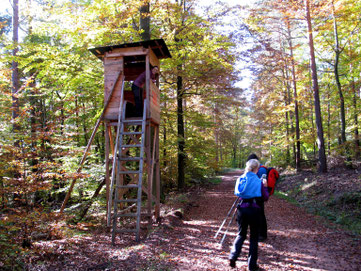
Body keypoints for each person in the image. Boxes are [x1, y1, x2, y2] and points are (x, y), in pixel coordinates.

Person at [229, 159, 269, 270]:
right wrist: (265, 186)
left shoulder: (240, 179)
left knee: (241, 234)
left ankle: (233, 255)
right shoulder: (258, 181)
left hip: (242, 209)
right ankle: (251, 265)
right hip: (254, 209)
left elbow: (237, 192)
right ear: (257, 168)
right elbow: (265, 197)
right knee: (254, 237)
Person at [246, 153, 268, 241]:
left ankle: (262, 234)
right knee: (258, 214)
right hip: (257, 194)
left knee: (260, 214)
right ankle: (259, 233)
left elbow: (261, 182)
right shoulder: (260, 168)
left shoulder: (261, 169)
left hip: (258, 195)